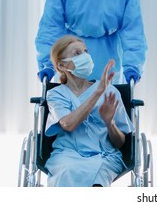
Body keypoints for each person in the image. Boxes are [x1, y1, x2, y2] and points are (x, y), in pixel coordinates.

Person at [44, 35, 134, 187]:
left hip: (103, 156)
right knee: (68, 171)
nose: (85, 56)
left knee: (96, 177)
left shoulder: (110, 91)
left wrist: (110, 123)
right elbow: (68, 124)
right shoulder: (56, 94)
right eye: (77, 53)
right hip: (67, 154)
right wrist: (97, 93)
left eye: (85, 51)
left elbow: (119, 143)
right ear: (61, 66)